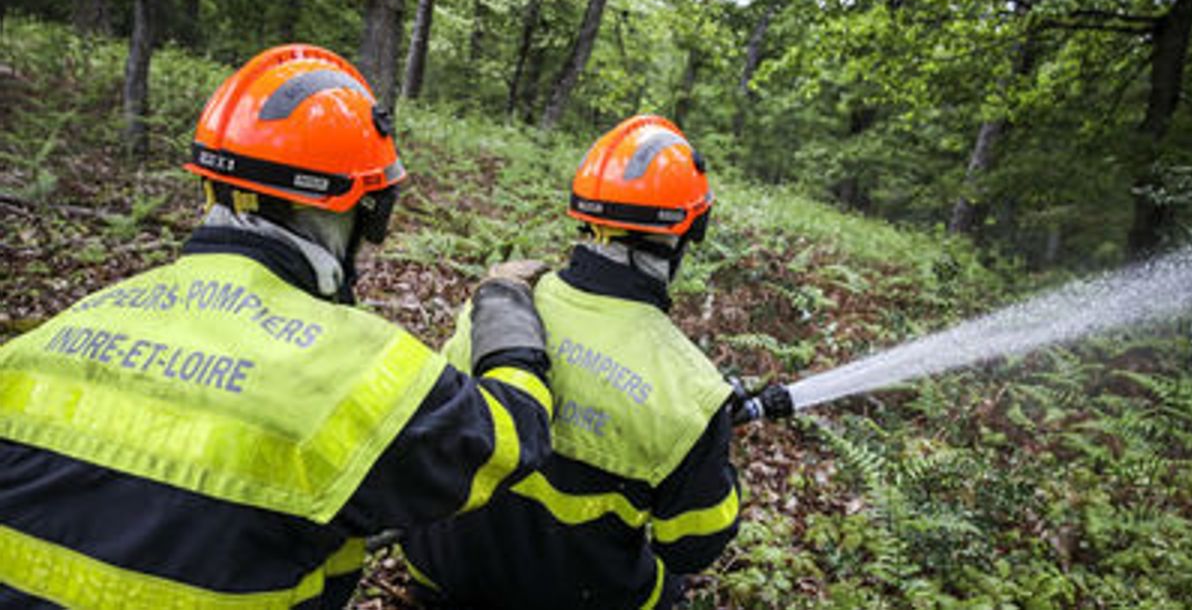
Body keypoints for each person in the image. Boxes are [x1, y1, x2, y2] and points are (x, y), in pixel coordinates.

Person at [0, 44, 555, 610]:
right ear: (363, 209)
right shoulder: (359, 373)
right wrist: (503, 301)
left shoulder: (44, 342)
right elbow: (514, 436)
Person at [400, 115, 741, 610]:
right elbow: (694, 545)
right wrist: (714, 461)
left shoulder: (496, 305)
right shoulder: (692, 391)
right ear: (690, 231)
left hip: (441, 575)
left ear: (584, 213)